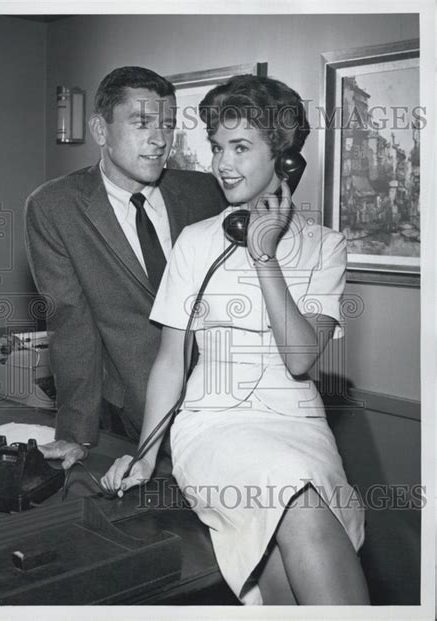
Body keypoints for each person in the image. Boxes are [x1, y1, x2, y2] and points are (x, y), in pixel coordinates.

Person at [101, 75, 369, 605]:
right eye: (218, 147)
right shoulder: (196, 241)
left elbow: (300, 358)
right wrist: (147, 455)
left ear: (285, 157)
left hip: (297, 423)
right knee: (300, 499)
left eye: (241, 148)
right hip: (216, 424)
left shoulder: (326, 247)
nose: (223, 164)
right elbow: (171, 361)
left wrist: (264, 256)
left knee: (286, 542)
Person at [25, 67, 226, 468]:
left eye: (168, 125)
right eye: (142, 123)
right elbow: (71, 324)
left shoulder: (206, 193)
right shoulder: (55, 207)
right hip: (132, 413)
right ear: (101, 130)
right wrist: (76, 434)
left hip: (226, 402)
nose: (159, 140)